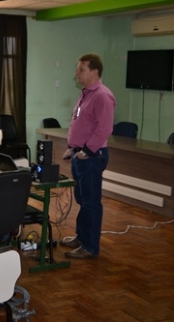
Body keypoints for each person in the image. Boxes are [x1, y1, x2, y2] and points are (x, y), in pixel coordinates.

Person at [61, 53, 115, 259]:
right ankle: (81, 237)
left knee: (91, 202)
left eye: (81, 69)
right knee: (82, 199)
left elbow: (104, 128)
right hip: (80, 154)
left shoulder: (102, 95)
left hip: (92, 157)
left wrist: (87, 151)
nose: (77, 73)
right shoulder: (86, 94)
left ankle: (90, 246)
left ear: (95, 72)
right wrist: (72, 147)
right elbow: (80, 124)